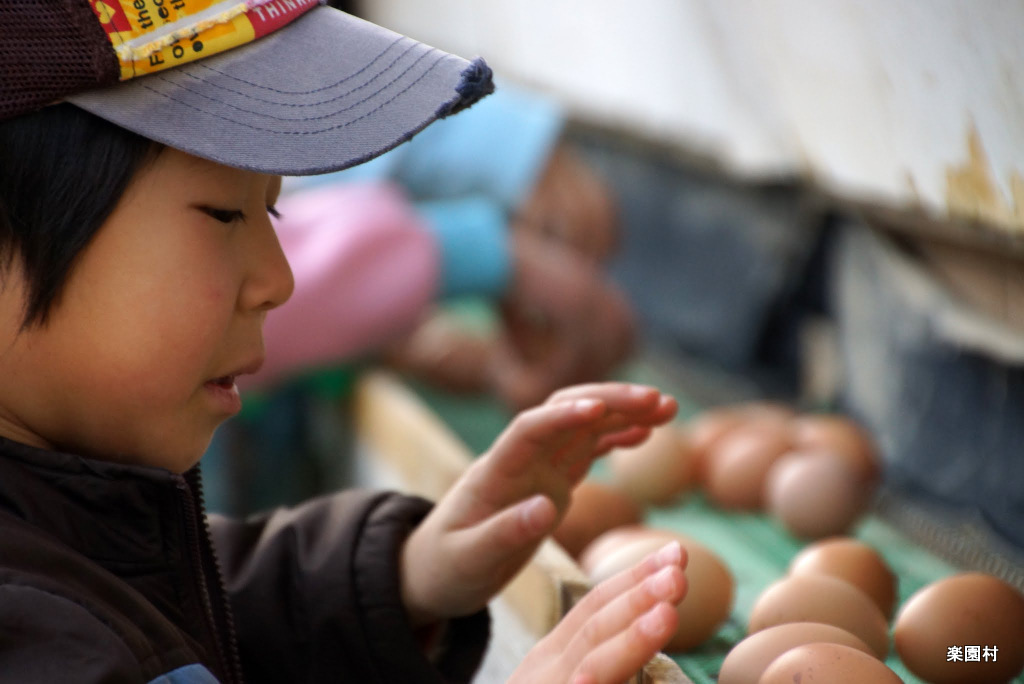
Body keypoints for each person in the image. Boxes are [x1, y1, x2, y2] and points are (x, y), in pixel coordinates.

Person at [0, 3, 686, 683]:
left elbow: (182, 608)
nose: (279, 278)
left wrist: (406, 574)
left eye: (272, 209)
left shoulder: (73, 523)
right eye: (224, 213)